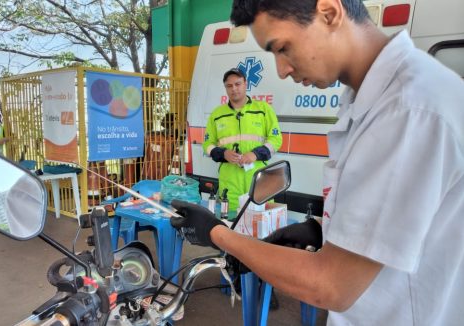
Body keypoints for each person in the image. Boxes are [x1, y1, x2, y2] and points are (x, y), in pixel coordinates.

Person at [170, 0, 464, 325]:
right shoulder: (371, 99)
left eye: (283, 48)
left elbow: (330, 286)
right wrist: (323, 231)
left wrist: (217, 233)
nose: (281, 70)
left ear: (329, 13)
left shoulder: (408, 110)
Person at [203, 68, 282, 213]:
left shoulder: (263, 109)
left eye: (238, 84)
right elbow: (207, 145)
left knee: (263, 223)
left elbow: (276, 140)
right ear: (226, 88)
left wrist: (255, 154)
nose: (234, 89)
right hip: (230, 182)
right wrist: (223, 153)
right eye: (229, 86)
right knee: (231, 222)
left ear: (245, 84)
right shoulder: (217, 114)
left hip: (259, 178)